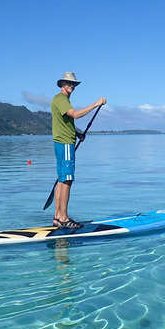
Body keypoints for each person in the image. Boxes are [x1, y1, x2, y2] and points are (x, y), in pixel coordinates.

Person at [51, 72, 106, 229]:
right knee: (67, 180)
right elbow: (74, 115)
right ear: (62, 84)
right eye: (68, 83)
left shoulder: (62, 100)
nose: (71, 86)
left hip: (62, 141)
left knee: (62, 179)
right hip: (65, 144)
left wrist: (77, 133)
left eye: (73, 84)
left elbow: (66, 122)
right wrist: (95, 104)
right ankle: (63, 217)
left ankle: (57, 217)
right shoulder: (60, 99)